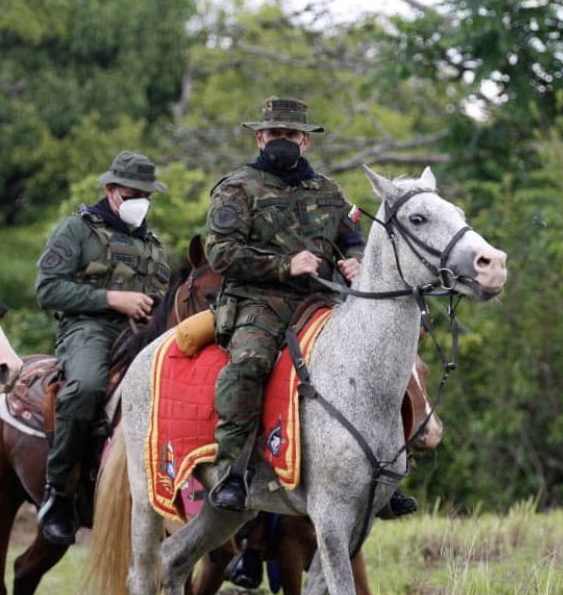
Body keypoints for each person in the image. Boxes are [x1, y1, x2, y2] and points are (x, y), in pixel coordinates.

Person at [204, 97, 417, 517]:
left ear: (306, 141)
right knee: (249, 363)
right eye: (275, 134)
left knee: (381, 359)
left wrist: (355, 258)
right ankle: (234, 469)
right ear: (260, 137)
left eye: (291, 134)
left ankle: (386, 475)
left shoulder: (328, 190)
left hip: (320, 300)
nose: (283, 141)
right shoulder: (236, 189)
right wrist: (286, 265)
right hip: (257, 301)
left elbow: (351, 236)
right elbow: (220, 254)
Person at [34, 151, 172, 546]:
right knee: (88, 387)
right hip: (89, 329)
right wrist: (112, 299)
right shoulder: (75, 231)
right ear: (112, 191)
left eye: (147, 194)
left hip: (142, 334)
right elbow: (47, 288)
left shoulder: (153, 244)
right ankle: (58, 493)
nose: (141, 202)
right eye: (133, 193)